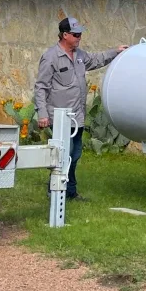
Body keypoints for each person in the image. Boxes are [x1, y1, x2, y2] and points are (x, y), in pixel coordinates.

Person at [34, 16, 128, 201]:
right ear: (65, 35)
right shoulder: (51, 57)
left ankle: (69, 191)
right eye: (76, 34)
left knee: (74, 154)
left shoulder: (79, 55)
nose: (79, 37)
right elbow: (41, 86)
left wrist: (116, 52)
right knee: (64, 154)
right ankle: (56, 190)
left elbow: (96, 59)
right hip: (60, 117)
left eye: (80, 34)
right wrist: (42, 114)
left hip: (77, 117)